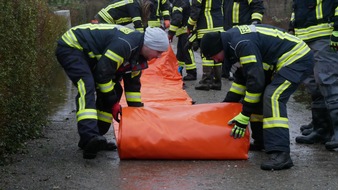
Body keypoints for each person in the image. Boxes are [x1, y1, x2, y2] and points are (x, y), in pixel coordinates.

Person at [200, 24, 314, 170]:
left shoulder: (241, 44)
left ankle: (281, 153)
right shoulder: (231, 46)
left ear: (218, 48)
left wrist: (245, 115)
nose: (215, 61)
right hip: (280, 61)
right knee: (257, 98)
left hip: (296, 58)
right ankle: (262, 141)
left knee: (273, 96)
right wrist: (226, 106)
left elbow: (255, 82)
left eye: (213, 57)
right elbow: (242, 80)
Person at [55, 24, 169, 159]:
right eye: (158, 52)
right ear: (148, 45)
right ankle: (89, 137)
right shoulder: (125, 45)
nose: (159, 56)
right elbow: (102, 74)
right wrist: (113, 103)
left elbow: (132, 87)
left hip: (90, 55)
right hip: (72, 46)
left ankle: (97, 137)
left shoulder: (139, 55)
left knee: (115, 89)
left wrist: (138, 117)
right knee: (87, 85)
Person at [289, 0, 338, 150]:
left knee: (328, 82)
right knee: (313, 84)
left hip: (325, 37)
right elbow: (297, 8)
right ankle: (321, 129)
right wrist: (292, 29)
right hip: (304, 39)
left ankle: (335, 130)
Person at [222, 0, 265, 80]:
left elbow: (257, 6)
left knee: (244, 53)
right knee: (229, 51)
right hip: (229, 27)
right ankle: (228, 72)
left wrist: (255, 22)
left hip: (244, 28)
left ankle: (244, 74)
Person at [187, 0, 224, 91]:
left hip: (206, 26)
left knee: (206, 55)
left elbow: (196, 9)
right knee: (217, 54)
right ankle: (217, 82)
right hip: (219, 25)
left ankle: (206, 81)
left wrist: (190, 25)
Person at [168, 0, 197, 81]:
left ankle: (192, 72)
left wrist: (170, 33)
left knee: (186, 50)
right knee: (180, 53)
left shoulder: (179, 2)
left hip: (186, 31)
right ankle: (179, 71)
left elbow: (177, 19)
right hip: (183, 31)